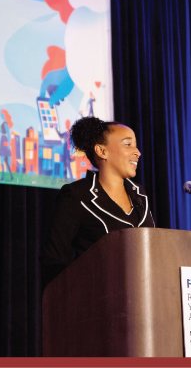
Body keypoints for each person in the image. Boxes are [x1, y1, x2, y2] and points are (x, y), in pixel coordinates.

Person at [41, 116, 158, 287]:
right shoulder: (77, 195)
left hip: (145, 296)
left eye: (136, 145)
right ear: (102, 151)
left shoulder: (139, 194)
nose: (137, 152)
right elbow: (53, 259)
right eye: (128, 144)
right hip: (98, 299)